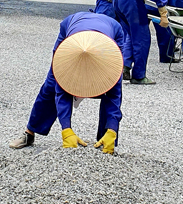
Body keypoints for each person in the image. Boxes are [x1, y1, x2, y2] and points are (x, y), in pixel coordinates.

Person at [9, 12, 125, 155]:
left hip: (111, 33)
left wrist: (112, 128)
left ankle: (107, 138)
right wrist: (66, 129)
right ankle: (29, 132)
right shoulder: (67, 54)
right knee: (51, 84)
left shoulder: (110, 59)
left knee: (109, 84)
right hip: (72, 32)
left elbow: (115, 94)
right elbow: (61, 90)